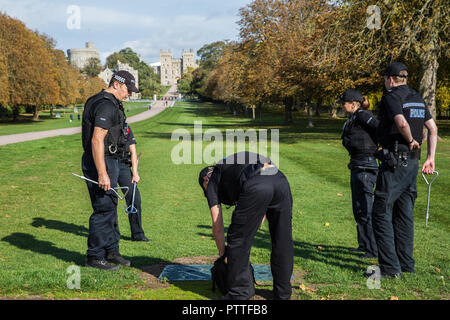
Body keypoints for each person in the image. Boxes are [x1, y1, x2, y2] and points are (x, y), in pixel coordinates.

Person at [369, 62, 438, 278]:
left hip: (396, 160)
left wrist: (410, 140)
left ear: (390, 79)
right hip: (413, 163)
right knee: (404, 214)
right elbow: (433, 129)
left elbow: (400, 122)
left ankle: (390, 270)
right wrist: (430, 158)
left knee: (381, 212)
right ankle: (406, 264)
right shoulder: (417, 97)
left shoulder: (391, 97)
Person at [198, 152, 294, 300]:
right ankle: (283, 294)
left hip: (257, 183)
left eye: (204, 189)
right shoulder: (231, 167)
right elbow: (259, 214)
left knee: (236, 240)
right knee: (282, 240)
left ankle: (239, 294)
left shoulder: (212, 179)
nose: (207, 192)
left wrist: (225, 254)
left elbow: (217, 225)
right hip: (280, 179)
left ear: (205, 179)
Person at [81, 70, 139, 270]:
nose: (129, 93)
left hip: (110, 160)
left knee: (110, 208)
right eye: (128, 89)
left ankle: (111, 252)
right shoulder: (105, 105)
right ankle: (95, 256)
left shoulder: (104, 101)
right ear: (116, 84)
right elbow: (97, 139)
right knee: (103, 209)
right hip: (101, 162)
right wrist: (102, 172)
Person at [339, 89, 379, 259]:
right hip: (357, 164)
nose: (342, 105)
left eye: (344, 102)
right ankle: (364, 244)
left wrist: (381, 147)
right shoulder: (353, 118)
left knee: (365, 208)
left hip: (365, 166)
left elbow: (379, 128)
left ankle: (372, 249)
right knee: (358, 208)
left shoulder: (363, 115)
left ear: (354, 103)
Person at [117, 123, 150, 242]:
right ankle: (113, 235)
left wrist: (135, 173)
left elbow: (133, 151)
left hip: (123, 166)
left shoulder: (126, 127)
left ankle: (138, 235)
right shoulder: (105, 127)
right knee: (110, 201)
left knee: (134, 198)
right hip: (108, 164)